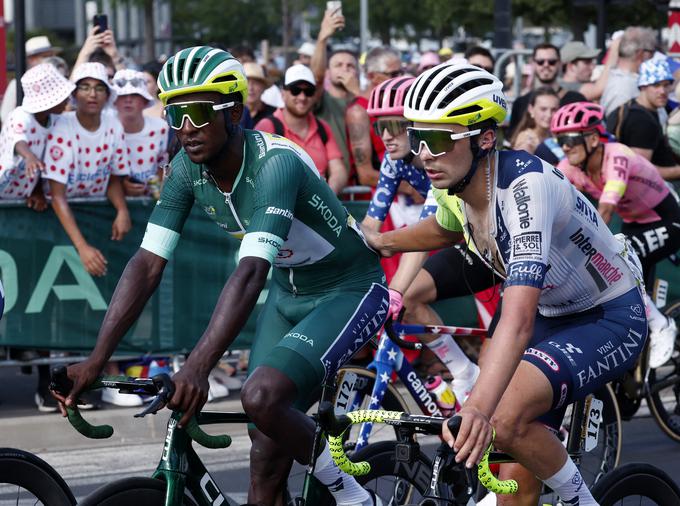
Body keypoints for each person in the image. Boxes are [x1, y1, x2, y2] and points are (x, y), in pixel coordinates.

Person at [52, 46, 386, 506]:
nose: (185, 128)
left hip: (349, 289)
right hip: (290, 292)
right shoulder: (186, 169)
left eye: (198, 111)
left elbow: (250, 273)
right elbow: (147, 264)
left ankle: (352, 495)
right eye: (174, 112)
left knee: (262, 397)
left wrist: (197, 367)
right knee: (264, 456)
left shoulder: (276, 164)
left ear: (233, 112)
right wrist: (96, 358)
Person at [362, 62, 646, 506]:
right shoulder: (461, 184)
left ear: (485, 137)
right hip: (556, 317)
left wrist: (475, 406)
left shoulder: (524, 187)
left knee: (502, 418)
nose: (423, 154)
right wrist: (382, 241)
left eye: (437, 139)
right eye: (418, 138)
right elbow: (444, 230)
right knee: (510, 484)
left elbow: (516, 320)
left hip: (608, 316)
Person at [363, 76, 483, 399]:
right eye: (379, 127)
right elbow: (370, 225)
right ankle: (462, 371)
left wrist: (394, 294)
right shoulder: (394, 162)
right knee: (411, 299)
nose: (386, 137)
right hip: (460, 244)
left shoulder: (440, 159)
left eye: (395, 126)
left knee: (506, 348)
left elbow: (425, 236)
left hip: (493, 248)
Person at [552, 101, 679, 368]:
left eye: (570, 139)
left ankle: (661, 325)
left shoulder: (618, 155)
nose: (564, 146)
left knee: (618, 258)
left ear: (594, 138)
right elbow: (551, 196)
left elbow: (606, 210)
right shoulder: (570, 165)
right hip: (636, 223)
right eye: (559, 139)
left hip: (668, 219)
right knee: (622, 274)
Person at [42, 62, 131, 277]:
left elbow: (113, 179)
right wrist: (81, 248)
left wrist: (122, 210)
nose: (92, 94)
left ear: (107, 94)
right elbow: (57, 196)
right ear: (75, 93)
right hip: (56, 224)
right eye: (85, 87)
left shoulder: (114, 125)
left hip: (96, 220)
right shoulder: (61, 125)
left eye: (99, 88)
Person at [255, 64, 348, 194]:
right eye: (295, 90)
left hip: (318, 207)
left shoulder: (323, 128)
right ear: (283, 94)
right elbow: (257, 173)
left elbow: (339, 169)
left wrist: (329, 194)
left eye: (308, 91)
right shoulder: (267, 127)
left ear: (315, 96)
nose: (302, 97)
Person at [0, 63, 73, 206]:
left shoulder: (55, 120)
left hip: (19, 194)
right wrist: (28, 155)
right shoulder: (21, 116)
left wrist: (37, 190)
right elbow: (18, 140)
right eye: (62, 96)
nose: (68, 100)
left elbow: (44, 160)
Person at [606, 58, 680, 180]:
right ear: (643, 87)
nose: (662, 91)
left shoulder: (631, 106)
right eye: (656, 85)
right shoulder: (641, 121)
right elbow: (641, 171)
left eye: (666, 85)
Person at [311, 7, 360, 169]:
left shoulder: (366, 99)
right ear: (328, 72)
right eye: (338, 65)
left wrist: (357, 92)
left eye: (350, 65)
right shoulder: (322, 100)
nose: (345, 69)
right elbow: (315, 78)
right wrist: (322, 38)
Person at [346, 47, 402, 186]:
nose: (400, 78)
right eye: (393, 74)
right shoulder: (358, 112)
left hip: (406, 198)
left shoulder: (397, 103)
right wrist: (411, 188)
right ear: (372, 76)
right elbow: (365, 175)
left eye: (401, 72)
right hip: (378, 199)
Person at [507, 43, 586, 139]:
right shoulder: (520, 103)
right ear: (533, 64)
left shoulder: (577, 100)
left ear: (560, 64)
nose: (546, 65)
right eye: (540, 62)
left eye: (552, 62)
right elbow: (512, 141)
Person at [112, 69, 169, 198]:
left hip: (149, 202)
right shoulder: (106, 130)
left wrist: (156, 189)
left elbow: (162, 165)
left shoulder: (161, 128)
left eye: (134, 95)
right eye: (122, 95)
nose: (128, 100)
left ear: (144, 100)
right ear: (114, 101)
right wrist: (122, 185)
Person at [1, 36, 62, 124]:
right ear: (31, 59)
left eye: (52, 56)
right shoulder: (17, 84)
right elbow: (6, 117)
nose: (51, 60)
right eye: (45, 56)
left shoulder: (58, 82)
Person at [600, 26, 657, 115]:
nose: (654, 57)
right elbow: (619, 126)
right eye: (652, 52)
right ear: (640, 53)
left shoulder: (625, 82)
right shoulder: (623, 89)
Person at [509, 87, 559, 154]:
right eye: (543, 109)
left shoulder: (553, 135)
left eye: (554, 110)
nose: (549, 115)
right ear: (531, 109)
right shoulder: (527, 142)